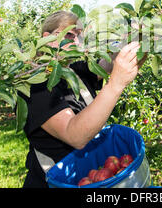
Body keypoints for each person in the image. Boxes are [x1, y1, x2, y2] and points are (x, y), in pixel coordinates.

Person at [20, 10, 146, 188]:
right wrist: (116, 84)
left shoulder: (73, 70)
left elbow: (109, 64)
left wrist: (138, 40)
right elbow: (75, 135)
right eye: (68, 34)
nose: (75, 41)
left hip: (88, 177)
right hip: (53, 183)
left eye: (79, 35)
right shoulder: (34, 85)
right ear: (47, 38)